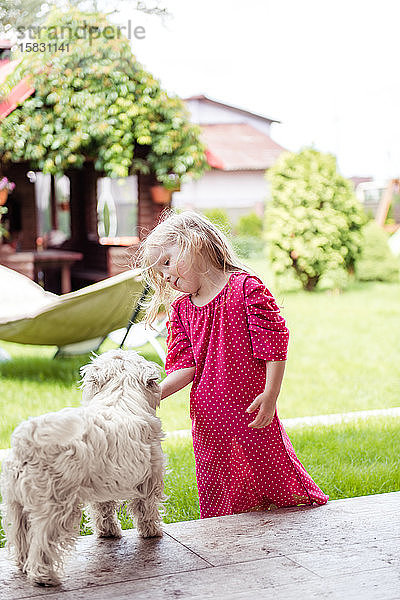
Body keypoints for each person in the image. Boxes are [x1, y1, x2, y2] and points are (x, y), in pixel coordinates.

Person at [135, 209, 329, 518]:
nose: (167, 277)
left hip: (251, 407)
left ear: (194, 244)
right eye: (161, 274)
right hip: (209, 419)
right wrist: (149, 396)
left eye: (168, 263)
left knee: (269, 467)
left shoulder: (245, 289)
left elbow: (274, 343)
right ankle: (227, 530)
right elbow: (185, 368)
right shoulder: (182, 309)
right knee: (222, 482)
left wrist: (271, 394)